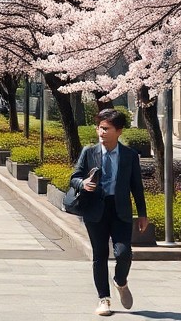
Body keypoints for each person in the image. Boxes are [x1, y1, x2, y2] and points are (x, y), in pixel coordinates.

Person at [69, 108, 149, 317]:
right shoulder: (89, 152)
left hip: (120, 209)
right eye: (100, 128)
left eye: (106, 129)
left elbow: (136, 186)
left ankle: (120, 281)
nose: (101, 132)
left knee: (124, 253)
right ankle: (103, 299)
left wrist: (142, 213)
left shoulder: (129, 155)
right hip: (95, 209)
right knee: (100, 254)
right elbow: (74, 176)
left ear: (119, 131)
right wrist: (83, 183)